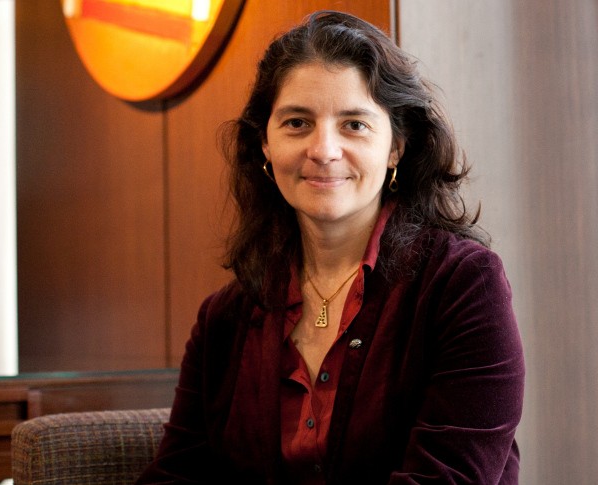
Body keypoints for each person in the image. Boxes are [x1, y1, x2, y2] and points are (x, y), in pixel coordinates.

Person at [137, 10, 524, 485]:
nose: (323, 150)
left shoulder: (463, 286)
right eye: (297, 122)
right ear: (265, 145)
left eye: (354, 124)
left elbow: (450, 478)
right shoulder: (224, 319)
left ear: (397, 146)